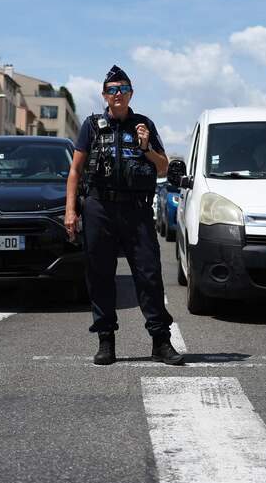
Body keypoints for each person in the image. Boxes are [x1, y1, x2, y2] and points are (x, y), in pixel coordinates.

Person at [65, 65, 183, 366]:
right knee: (100, 274)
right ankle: (106, 341)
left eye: (123, 89)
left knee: (149, 274)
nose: (118, 94)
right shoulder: (92, 126)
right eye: (113, 90)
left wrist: (145, 146)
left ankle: (160, 342)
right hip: (99, 208)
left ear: (131, 93)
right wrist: (70, 210)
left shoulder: (144, 124)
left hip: (136, 209)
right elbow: (76, 170)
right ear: (105, 95)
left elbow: (161, 167)